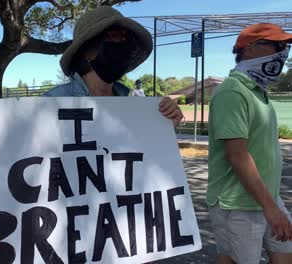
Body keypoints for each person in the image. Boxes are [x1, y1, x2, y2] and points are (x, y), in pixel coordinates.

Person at [207, 23, 292, 264]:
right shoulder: (232, 92)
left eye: (285, 46)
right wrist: (271, 208)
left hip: (267, 197)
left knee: (285, 253)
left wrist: (272, 204)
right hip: (237, 205)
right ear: (250, 49)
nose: (283, 53)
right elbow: (238, 155)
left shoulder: (258, 91)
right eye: (277, 45)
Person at [44, 6, 183, 126]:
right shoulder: (50, 103)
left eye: (128, 38)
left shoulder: (133, 109)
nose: (125, 43)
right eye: (115, 34)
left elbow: (144, 152)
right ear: (87, 50)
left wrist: (164, 127)